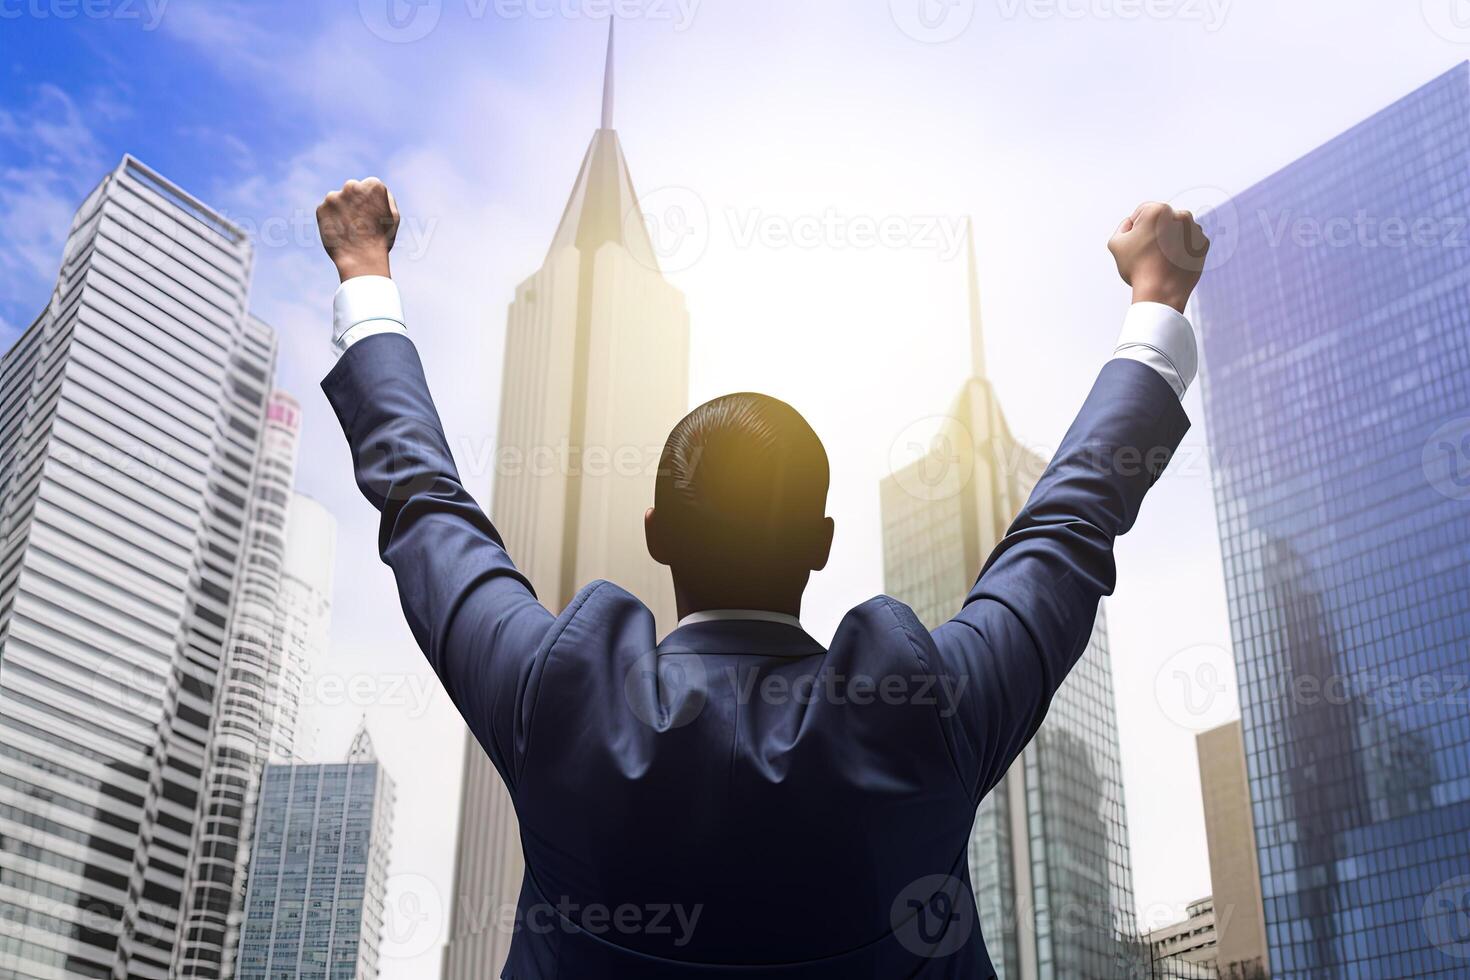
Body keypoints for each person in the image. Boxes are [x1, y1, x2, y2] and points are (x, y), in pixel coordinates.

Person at [315, 178, 1208, 978]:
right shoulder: (924, 714)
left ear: (656, 535)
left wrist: (365, 270)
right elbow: (1068, 529)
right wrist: (1156, 301)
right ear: (821, 543)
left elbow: (423, 504)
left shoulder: (557, 700)